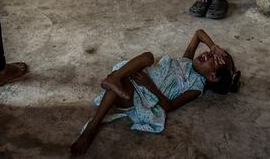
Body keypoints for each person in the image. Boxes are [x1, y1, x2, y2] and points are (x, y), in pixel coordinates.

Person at [70, 29, 240, 156]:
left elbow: (170, 106)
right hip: (136, 74)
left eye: (213, 60)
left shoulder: (196, 87)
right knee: (148, 57)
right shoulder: (186, 60)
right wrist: (214, 46)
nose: (208, 54)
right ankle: (115, 79)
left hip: (144, 94)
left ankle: (90, 129)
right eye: (211, 53)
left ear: (213, 77)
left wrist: (148, 84)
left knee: (122, 89)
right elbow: (198, 34)